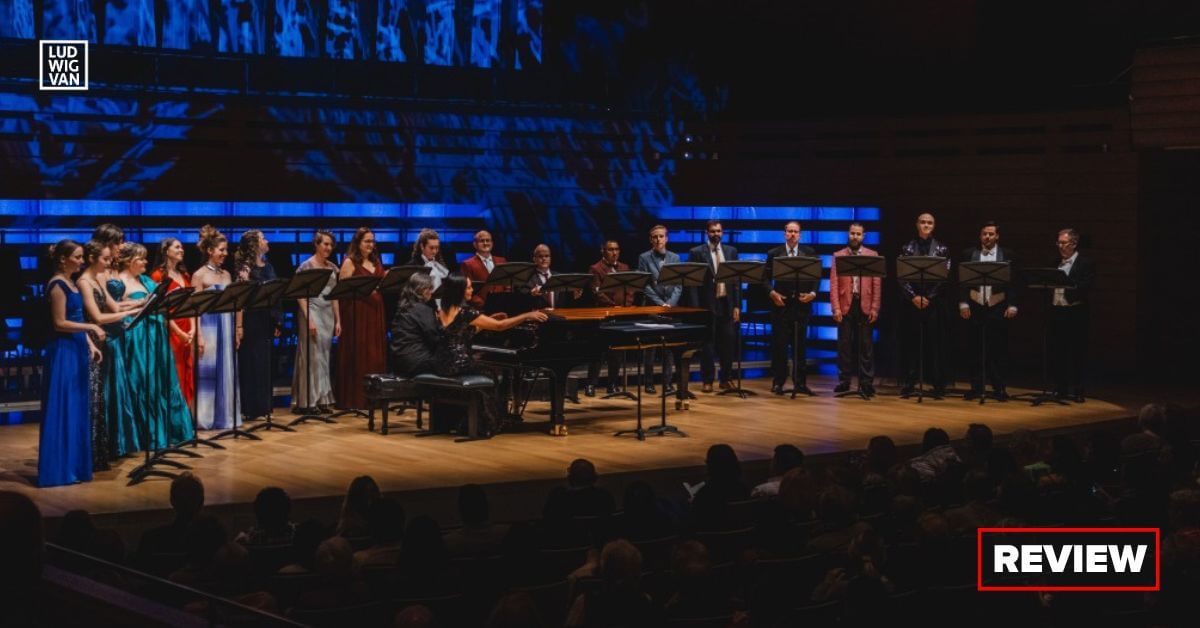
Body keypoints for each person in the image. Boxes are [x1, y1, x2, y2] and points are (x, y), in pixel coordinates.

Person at [435, 274, 549, 434]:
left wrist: (488, 320)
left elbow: (460, 331)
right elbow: (499, 326)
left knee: (486, 370)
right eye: (468, 287)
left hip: (442, 362)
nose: (472, 290)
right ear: (459, 290)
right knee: (490, 374)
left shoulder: (442, 310)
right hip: (458, 363)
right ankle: (487, 423)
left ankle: (465, 419)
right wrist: (526, 316)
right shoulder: (467, 312)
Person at [108, 242, 195, 452]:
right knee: (143, 382)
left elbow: (162, 309)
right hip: (137, 337)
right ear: (129, 261)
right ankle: (148, 436)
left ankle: (172, 432)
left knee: (163, 381)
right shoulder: (119, 283)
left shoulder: (147, 281)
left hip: (156, 335)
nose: (145, 262)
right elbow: (114, 312)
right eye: (141, 258)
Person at [39, 240, 103, 487]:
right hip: (63, 351)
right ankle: (59, 470)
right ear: (63, 259)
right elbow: (59, 323)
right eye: (77, 257)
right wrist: (91, 326)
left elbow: (74, 317)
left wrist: (89, 344)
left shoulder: (72, 283)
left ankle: (74, 467)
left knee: (76, 408)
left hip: (76, 348)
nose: (81, 261)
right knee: (63, 406)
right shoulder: (57, 285)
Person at [77, 241, 135, 471]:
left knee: (100, 397)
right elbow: (98, 318)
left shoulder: (97, 279)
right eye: (105, 258)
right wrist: (132, 312)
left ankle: (101, 451)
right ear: (92, 258)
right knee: (93, 398)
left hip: (101, 341)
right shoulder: (83, 282)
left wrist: (140, 303)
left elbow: (114, 307)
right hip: (90, 342)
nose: (109, 262)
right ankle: (90, 454)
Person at [958, 221, 1018, 401]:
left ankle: (999, 388)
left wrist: (1012, 304)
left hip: (997, 306)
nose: (987, 237)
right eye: (984, 233)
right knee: (975, 349)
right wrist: (963, 303)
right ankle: (976, 387)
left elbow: (1013, 281)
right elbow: (962, 280)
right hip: (975, 306)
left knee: (998, 350)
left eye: (991, 234)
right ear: (980, 235)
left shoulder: (1007, 254)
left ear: (997, 236)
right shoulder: (969, 253)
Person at [192, 226, 242, 429]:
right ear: (210, 250)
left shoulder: (227, 274)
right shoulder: (199, 275)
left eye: (226, 249)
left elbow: (235, 304)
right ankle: (205, 418)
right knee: (208, 371)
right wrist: (199, 335)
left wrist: (238, 328)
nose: (225, 253)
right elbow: (195, 309)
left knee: (227, 370)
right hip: (209, 326)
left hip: (227, 325)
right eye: (221, 250)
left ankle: (225, 416)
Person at [898, 212, 951, 398]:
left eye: (929, 222)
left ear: (934, 226)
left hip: (934, 304)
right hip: (912, 304)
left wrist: (929, 297)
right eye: (923, 222)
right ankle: (910, 382)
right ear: (917, 224)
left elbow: (944, 277)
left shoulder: (942, 249)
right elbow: (902, 276)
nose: (926, 225)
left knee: (934, 345)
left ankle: (937, 384)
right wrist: (913, 297)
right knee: (911, 344)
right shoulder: (907, 248)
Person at [334, 227, 387, 411]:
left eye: (373, 241)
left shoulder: (376, 261)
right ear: (358, 243)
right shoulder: (349, 262)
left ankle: (374, 398)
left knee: (374, 353)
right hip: (356, 314)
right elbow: (341, 292)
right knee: (359, 352)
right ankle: (356, 399)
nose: (371, 245)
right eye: (367, 241)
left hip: (375, 312)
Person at [763, 220, 818, 396]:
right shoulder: (774, 253)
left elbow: (816, 277)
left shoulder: (809, 252)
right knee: (780, 346)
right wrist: (772, 293)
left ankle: (800, 383)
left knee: (800, 346)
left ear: (800, 235)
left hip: (802, 305)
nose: (792, 234)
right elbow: (764, 278)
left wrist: (813, 293)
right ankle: (778, 382)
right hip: (781, 305)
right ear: (784, 233)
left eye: (796, 231)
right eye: (789, 231)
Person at [687, 220, 741, 393]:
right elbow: (693, 283)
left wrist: (737, 306)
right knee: (707, 344)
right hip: (707, 304)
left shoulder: (731, 251)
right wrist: (696, 308)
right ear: (707, 233)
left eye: (718, 231)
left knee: (728, 342)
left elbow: (736, 282)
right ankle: (707, 380)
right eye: (712, 231)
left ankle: (726, 379)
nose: (716, 234)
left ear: (722, 232)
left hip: (726, 303)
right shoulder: (696, 252)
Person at [830, 222, 882, 396]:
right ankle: (844, 381)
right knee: (844, 345)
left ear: (863, 236)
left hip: (865, 303)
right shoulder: (838, 255)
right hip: (845, 304)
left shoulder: (872, 255)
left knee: (866, 345)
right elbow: (834, 284)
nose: (855, 236)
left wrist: (875, 308)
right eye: (852, 233)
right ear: (848, 234)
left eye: (858, 234)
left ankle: (866, 382)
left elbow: (876, 284)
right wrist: (835, 308)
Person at [233, 230, 280, 421]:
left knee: (265, 364)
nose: (267, 241)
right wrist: (239, 326)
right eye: (263, 238)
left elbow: (276, 294)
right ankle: (251, 408)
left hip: (266, 319)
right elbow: (240, 299)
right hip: (251, 320)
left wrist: (277, 321)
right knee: (251, 363)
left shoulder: (269, 266)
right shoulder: (245, 269)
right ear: (254, 244)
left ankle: (264, 407)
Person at [292, 230, 341, 413]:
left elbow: (335, 296)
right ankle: (307, 401)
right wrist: (309, 319)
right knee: (311, 356)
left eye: (331, 245)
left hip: (327, 315)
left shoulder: (333, 267)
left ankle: (322, 399)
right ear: (316, 244)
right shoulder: (306, 266)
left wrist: (338, 320)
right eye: (325, 244)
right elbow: (298, 294)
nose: (328, 248)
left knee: (324, 357)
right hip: (311, 311)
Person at [150, 237, 196, 407]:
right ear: (166, 251)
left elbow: (191, 303)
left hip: (187, 328)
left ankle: (184, 415)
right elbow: (159, 309)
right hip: (170, 328)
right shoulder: (157, 276)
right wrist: (179, 332)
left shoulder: (184, 275)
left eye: (182, 247)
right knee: (173, 371)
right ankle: (173, 415)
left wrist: (193, 328)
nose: (181, 250)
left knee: (186, 370)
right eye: (177, 247)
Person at [636, 225, 681, 394]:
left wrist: (670, 303)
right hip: (652, 307)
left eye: (661, 236)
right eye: (655, 237)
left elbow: (678, 284)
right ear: (650, 239)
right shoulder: (644, 257)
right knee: (650, 348)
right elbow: (644, 285)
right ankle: (648, 383)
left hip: (670, 308)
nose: (658, 239)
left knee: (668, 348)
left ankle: (667, 383)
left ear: (666, 238)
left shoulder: (675, 257)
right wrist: (660, 303)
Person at [586, 239, 632, 396]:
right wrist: (613, 306)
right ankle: (591, 384)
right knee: (598, 352)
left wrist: (625, 307)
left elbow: (630, 290)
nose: (614, 252)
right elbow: (597, 292)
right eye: (610, 249)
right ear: (603, 251)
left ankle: (612, 384)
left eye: (616, 249)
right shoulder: (595, 268)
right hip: (603, 316)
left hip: (621, 316)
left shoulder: (624, 268)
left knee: (617, 352)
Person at [390, 273, 442, 377]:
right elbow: (434, 338)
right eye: (430, 288)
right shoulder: (423, 310)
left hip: (398, 361)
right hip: (417, 363)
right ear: (422, 290)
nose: (432, 292)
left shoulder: (402, 308)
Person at [522, 243, 582, 309]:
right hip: (538, 314)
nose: (544, 258)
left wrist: (574, 294)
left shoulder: (559, 276)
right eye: (540, 256)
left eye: (547, 256)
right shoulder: (528, 278)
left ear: (550, 258)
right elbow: (522, 299)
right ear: (534, 259)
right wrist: (531, 293)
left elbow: (565, 300)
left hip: (558, 314)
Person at [459, 230, 507, 310]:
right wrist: (484, 305)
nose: (485, 243)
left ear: (492, 243)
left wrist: (506, 301)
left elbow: (507, 284)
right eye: (482, 241)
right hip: (481, 309)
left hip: (504, 307)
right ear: (475, 244)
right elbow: (465, 289)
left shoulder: (502, 261)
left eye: (488, 240)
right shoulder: (467, 264)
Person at [406, 227, 450, 293]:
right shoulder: (413, 265)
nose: (434, 251)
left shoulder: (440, 263)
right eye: (431, 248)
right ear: (422, 246)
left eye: (437, 248)